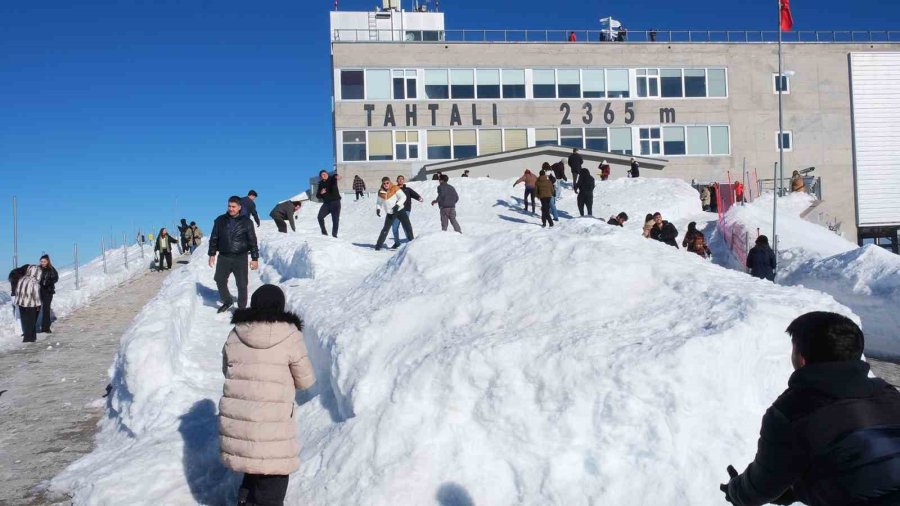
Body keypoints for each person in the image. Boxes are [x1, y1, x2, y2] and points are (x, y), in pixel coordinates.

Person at [720, 311, 900, 506]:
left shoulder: (792, 412)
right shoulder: (890, 395)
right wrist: (799, 489)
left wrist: (734, 490)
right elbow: (865, 465)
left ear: (802, 359)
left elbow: (760, 488)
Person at [219, 284, 316, 506]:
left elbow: (227, 370)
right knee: (272, 474)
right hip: (274, 426)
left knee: (253, 465)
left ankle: (245, 499)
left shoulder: (235, 334)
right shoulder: (291, 336)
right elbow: (306, 380)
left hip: (241, 424)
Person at [209, 196, 260, 313]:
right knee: (219, 279)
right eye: (229, 206)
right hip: (224, 256)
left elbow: (252, 241)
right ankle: (227, 301)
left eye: (233, 207)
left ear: (239, 207)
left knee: (242, 284)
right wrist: (212, 254)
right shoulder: (220, 220)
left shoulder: (247, 222)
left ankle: (242, 308)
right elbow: (214, 238)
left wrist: (255, 258)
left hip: (240, 257)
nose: (231, 209)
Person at [375, 177, 414, 250]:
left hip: (400, 210)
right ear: (382, 184)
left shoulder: (395, 188)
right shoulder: (381, 192)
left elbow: (403, 197)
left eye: (387, 183)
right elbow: (379, 202)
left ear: (389, 182)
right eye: (384, 183)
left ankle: (412, 242)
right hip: (390, 213)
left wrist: (397, 205)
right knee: (385, 229)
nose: (386, 184)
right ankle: (378, 246)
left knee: (407, 226)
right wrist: (378, 209)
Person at [10, 264, 42, 343]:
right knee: (31, 321)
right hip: (31, 304)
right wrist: (38, 305)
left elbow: (17, 291)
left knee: (25, 321)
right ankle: (29, 338)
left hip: (21, 303)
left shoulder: (21, 279)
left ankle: (29, 337)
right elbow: (35, 295)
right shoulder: (34, 282)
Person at [392, 175, 422, 248]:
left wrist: (419, 198)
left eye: (402, 179)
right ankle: (397, 243)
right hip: (397, 210)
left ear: (403, 180)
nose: (400, 180)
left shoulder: (407, 189)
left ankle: (410, 241)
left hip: (406, 209)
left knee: (405, 225)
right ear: (397, 180)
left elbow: (414, 194)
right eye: (399, 179)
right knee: (394, 226)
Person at [316, 170, 342, 237]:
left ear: (327, 174)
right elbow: (317, 196)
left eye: (324, 174)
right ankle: (324, 233)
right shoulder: (320, 184)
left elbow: (335, 176)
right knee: (320, 217)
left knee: (335, 219)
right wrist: (321, 193)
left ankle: (334, 235)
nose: (323, 175)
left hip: (335, 202)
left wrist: (337, 176)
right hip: (326, 204)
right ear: (320, 177)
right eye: (322, 175)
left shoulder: (331, 179)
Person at [38, 255, 59, 333]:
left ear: (47, 261)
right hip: (39, 291)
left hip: (48, 291)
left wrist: (49, 283)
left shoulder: (51, 269)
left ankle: (46, 327)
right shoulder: (38, 269)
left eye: (44, 261)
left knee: (46, 308)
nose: (42, 263)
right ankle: (33, 328)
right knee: (37, 308)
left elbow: (56, 278)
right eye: (41, 261)